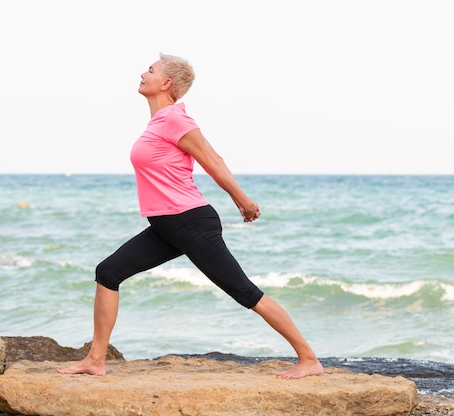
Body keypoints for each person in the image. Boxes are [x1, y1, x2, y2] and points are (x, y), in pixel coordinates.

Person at [57, 53, 323, 379]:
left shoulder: (175, 120)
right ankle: (96, 360)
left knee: (245, 292)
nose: (143, 73)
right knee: (108, 272)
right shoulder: (159, 122)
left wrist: (243, 201)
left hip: (189, 221)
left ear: (166, 83)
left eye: (151, 70)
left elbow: (213, 159)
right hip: (167, 225)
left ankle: (309, 359)